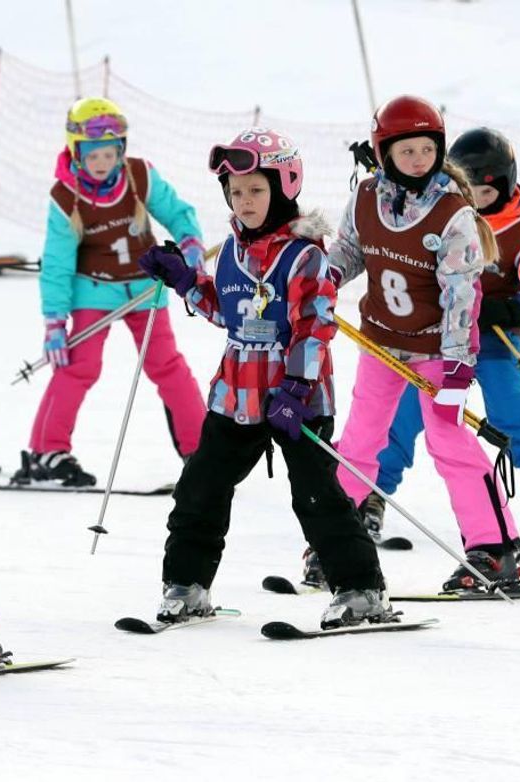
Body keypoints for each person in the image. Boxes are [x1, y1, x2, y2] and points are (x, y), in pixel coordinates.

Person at [138, 128, 391, 628]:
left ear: (284, 185)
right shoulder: (230, 253)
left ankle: (362, 590)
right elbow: (226, 313)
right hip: (236, 394)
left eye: (256, 189)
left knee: (317, 495)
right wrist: (186, 280)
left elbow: (316, 325)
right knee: (201, 486)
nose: (245, 201)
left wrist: (295, 390)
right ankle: (186, 585)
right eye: (236, 193)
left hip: (295, 397)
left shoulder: (305, 254)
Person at [324, 95, 520, 593]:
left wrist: (460, 366)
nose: (418, 159)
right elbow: (351, 250)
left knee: (449, 440)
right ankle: (336, 540)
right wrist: (326, 276)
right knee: (360, 439)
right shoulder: (365, 198)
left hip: (437, 350)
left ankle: (495, 549)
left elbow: (463, 295)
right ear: (384, 153)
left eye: (427, 149)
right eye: (407, 151)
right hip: (381, 344)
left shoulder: (453, 214)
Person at [362, 127, 520, 541]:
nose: (477, 203)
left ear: (502, 187)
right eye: (469, 192)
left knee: (510, 411)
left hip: (491, 341)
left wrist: (508, 309)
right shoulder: (440, 213)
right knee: (405, 412)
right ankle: (368, 494)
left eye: (484, 195)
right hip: (434, 339)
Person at [16, 97, 208, 486]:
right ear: (76, 151)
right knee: (78, 366)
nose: (102, 163)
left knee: (166, 364)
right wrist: (55, 321)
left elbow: (178, 211)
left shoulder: (139, 176)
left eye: (108, 153)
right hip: (94, 289)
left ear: (120, 150)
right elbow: (56, 263)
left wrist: (189, 242)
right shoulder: (65, 196)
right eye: (93, 155)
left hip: (144, 287)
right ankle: (47, 452)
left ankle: (203, 450)